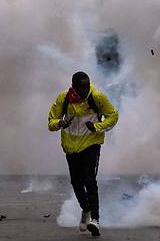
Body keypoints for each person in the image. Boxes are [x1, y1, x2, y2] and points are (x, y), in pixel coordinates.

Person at [48, 71, 118, 237]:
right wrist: (60, 123)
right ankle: (85, 210)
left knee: (90, 180)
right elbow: (50, 123)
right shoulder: (63, 99)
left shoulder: (97, 97)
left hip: (91, 145)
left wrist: (98, 127)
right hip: (71, 148)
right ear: (73, 87)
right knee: (76, 183)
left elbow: (113, 115)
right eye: (82, 88)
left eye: (87, 87)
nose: (85, 91)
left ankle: (95, 220)